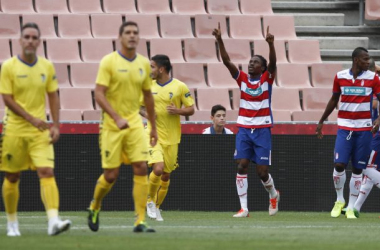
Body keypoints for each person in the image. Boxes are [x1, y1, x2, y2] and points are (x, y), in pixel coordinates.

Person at [0, 23, 71, 236]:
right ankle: (12, 223)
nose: (30, 41)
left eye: (34, 38)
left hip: (40, 130)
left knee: (47, 172)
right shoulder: (9, 66)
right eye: (27, 37)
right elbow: (7, 99)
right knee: (12, 176)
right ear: (20, 41)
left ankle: (53, 221)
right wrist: (31, 118)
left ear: (39, 42)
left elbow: (53, 96)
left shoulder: (46, 67)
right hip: (14, 130)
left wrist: (56, 125)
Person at [87, 21, 158, 233]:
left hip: (135, 125)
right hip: (111, 125)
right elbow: (99, 93)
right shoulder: (108, 62)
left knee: (141, 167)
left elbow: (148, 96)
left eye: (135, 32)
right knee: (111, 175)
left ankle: (140, 221)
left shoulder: (144, 64)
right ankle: (95, 205)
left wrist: (153, 126)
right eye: (128, 32)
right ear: (120, 37)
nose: (132, 36)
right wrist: (116, 117)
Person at [213, 24, 280, 218]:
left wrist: (271, 44)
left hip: (262, 129)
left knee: (262, 172)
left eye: (255, 62)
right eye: (250, 61)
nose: (251, 64)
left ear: (263, 68)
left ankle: (273, 194)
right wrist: (219, 39)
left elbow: (274, 63)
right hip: (244, 128)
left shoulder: (267, 79)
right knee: (242, 165)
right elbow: (226, 61)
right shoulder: (241, 79)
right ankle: (244, 208)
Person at [316, 47, 380, 219]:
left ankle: (351, 207)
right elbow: (333, 99)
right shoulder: (340, 76)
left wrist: (379, 119)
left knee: (358, 169)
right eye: (365, 59)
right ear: (356, 60)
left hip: (364, 129)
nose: (368, 62)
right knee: (339, 164)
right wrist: (322, 121)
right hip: (344, 127)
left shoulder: (373, 78)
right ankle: (339, 200)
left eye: (369, 59)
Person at [142, 54, 195, 221]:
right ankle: (149, 200)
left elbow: (191, 109)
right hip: (152, 133)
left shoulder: (180, 87)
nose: (149, 70)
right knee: (157, 168)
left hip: (172, 138)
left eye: (152, 66)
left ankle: (157, 206)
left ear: (161, 69)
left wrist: (177, 111)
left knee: (165, 175)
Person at [351, 59, 380, 215]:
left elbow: (374, 105)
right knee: (370, 170)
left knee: (365, 166)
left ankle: (355, 207)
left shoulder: (374, 82)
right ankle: (356, 208)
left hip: (378, 134)